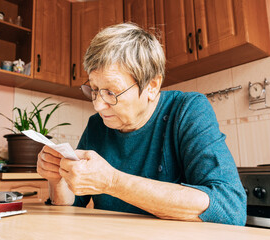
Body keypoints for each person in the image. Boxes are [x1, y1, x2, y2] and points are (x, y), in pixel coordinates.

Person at [37, 23, 246, 225]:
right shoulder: (97, 126)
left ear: (152, 86)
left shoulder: (187, 110)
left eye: (111, 92)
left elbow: (230, 208)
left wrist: (112, 182)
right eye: (94, 89)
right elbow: (73, 205)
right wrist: (57, 180)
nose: (98, 105)